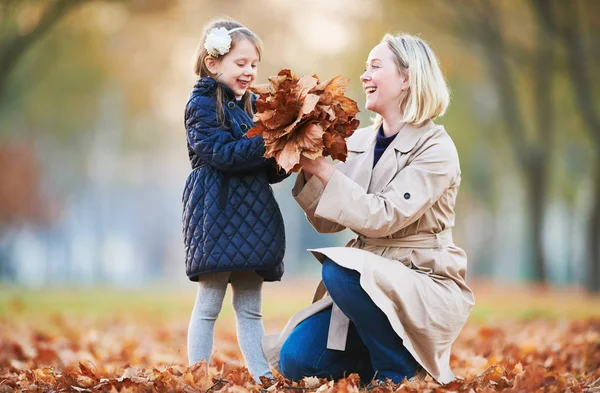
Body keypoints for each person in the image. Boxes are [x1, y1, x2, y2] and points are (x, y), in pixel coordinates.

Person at [262, 32, 475, 385]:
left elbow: (382, 217)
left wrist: (326, 171)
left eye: (375, 67)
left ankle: (397, 370)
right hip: (367, 278)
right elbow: (328, 222)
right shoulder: (359, 141)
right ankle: (374, 357)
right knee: (297, 361)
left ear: (407, 78)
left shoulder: (437, 148)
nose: (364, 76)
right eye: (365, 67)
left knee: (341, 269)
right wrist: (307, 165)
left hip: (420, 279)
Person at [182, 18, 288, 382]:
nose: (249, 71)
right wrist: (269, 142)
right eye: (241, 63)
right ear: (214, 64)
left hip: (253, 216)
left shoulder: (257, 106)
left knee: (250, 307)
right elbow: (223, 154)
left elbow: (268, 170)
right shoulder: (201, 105)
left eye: (254, 64)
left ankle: (263, 379)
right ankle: (198, 376)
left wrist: (286, 154)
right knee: (209, 304)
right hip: (216, 211)